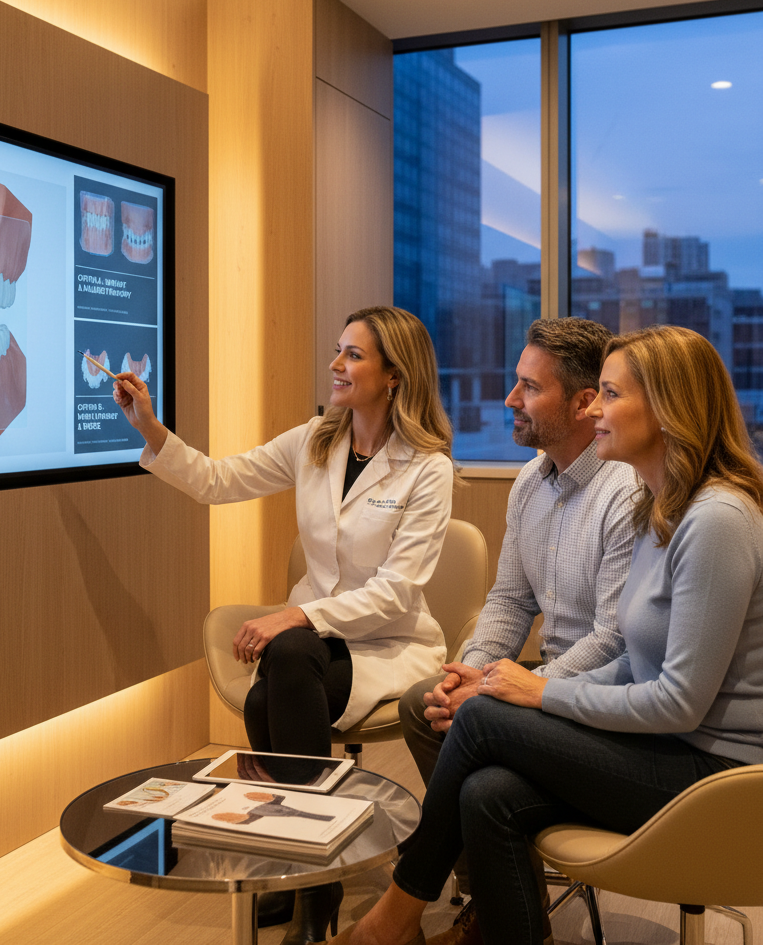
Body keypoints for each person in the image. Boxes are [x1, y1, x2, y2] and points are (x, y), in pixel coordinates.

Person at [330, 325, 763, 945]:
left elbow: (676, 698)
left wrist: (535, 692)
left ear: (667, 410)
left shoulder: (716, 519)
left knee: (477, 722)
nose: (597, 410)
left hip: (721, 780)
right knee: (487, 792)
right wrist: (487, 677)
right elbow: (622, 654)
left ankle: (394, 918)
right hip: (673, 747)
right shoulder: (661, 504)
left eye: (610, 396)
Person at [112, 305, 456, 945]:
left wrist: (297, 613)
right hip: (312, 648)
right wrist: (152, 430)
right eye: (338, 350)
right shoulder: (314, 440)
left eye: (353, 355)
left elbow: (397, 592)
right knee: (286, 669)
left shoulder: (427, 467)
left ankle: (302, 876)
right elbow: (219, 480)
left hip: (384, 642)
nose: (336, 364)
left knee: (282, 668)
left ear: (395, 376)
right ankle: (311, 874)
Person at [397, 317, 638, 945]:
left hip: (601, 694)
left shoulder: (627, 491)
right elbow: (509, 600)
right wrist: (471, 669)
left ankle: (464, 903)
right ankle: (497, 895)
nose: (510, 400)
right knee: (426, 703)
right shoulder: (531, 482)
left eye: (528, 388)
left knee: (482, 769)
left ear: (585, 402)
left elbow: (615, 640)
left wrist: (514, 689)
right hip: (545, 683)